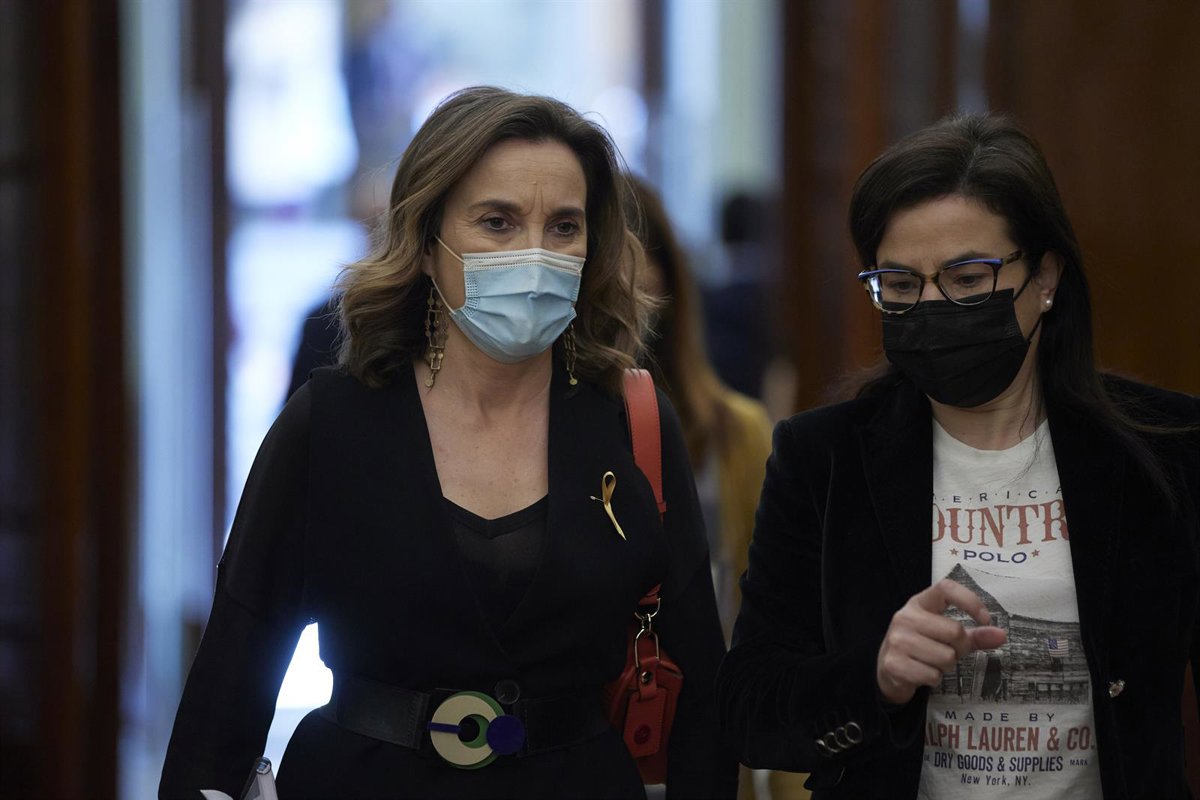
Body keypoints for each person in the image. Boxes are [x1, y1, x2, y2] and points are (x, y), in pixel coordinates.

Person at [161, 86, 736, 800]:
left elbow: (703, 694)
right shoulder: (331, 423)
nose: (535, 254)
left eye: (564, 226)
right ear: (428, 244)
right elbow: (227, 694)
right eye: (497, 222)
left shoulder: (630, 422)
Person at [716, 113, 1200, 799]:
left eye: (968, 279)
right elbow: (749, 710)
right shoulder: (822, 458)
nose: (934, 305)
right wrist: (875, 675)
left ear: (1045, 277)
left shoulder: (1166, 448)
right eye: (901, 284)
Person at [625, 178, 807, 800]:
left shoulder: (736, 431)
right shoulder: (552, 436)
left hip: (705, 743)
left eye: (641, 253)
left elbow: (778, 622)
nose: (624, 278)